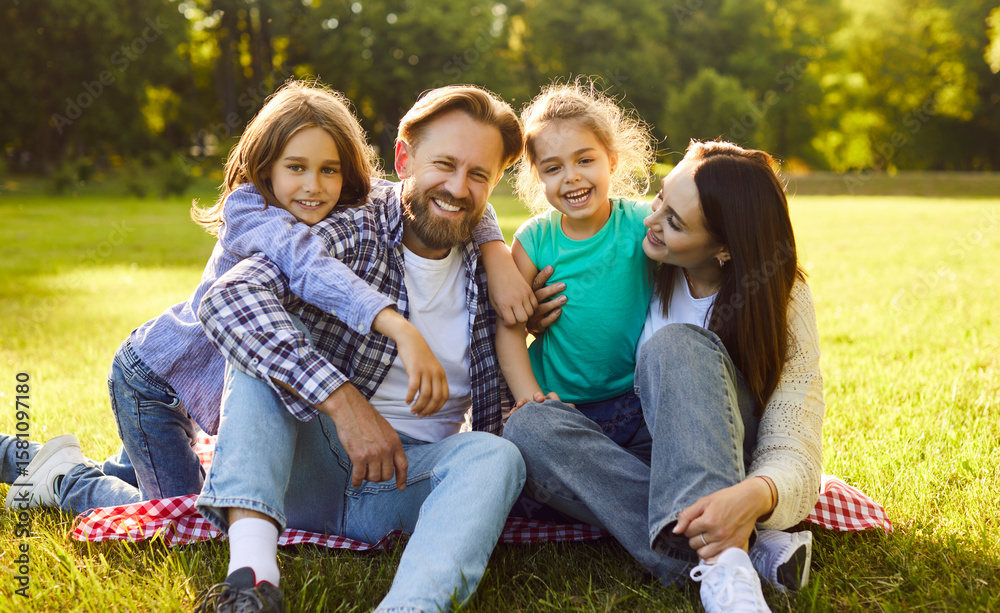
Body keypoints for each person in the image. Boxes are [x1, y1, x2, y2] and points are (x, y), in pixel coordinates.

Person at [2, 80, 530, 517]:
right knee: (184, 516)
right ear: (265, 167)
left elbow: (439, 189)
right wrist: (394, 323)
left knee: (170, 478)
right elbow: (314, 268)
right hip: (160, 382)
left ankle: (32, 457)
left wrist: (493, 247)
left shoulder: (344, 202)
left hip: (208, 390)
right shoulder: (259, 215)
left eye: (329, 170)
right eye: (295, 167)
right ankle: (61, 480)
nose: (314, 186)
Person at [192, 86, 527, 613]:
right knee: (261, 351)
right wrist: (344, 401)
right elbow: (228, 298)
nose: (458, 187)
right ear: (403, 158)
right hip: (314, 463)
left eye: (478, 174)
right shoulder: (351, 229)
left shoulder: (497, 270)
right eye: (443, 163)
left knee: (496, 455)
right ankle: (252, 581)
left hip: (405, 483)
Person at [504, 140, 824, 613]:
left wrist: (757, 495)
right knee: (527, 426)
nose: (650, 221)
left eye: (674, 223)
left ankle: (717, 568)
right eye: (659, 199)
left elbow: (795, 443)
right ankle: (741, 549)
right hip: (641, 448)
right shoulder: (645, 257)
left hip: (724, 452)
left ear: (724, 250)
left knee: (674, 344)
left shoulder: (781, 297)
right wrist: (534, 317)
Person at [496, 81, 655, 434]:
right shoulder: (535, 239)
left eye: (585, 159)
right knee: (534, 436)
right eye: (553, 168)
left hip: (638, 399)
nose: (572, 177)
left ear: (611, 160)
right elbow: (509, 327)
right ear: (538, 176)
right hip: (561, 403)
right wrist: (534, 400)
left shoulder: (642, 224)